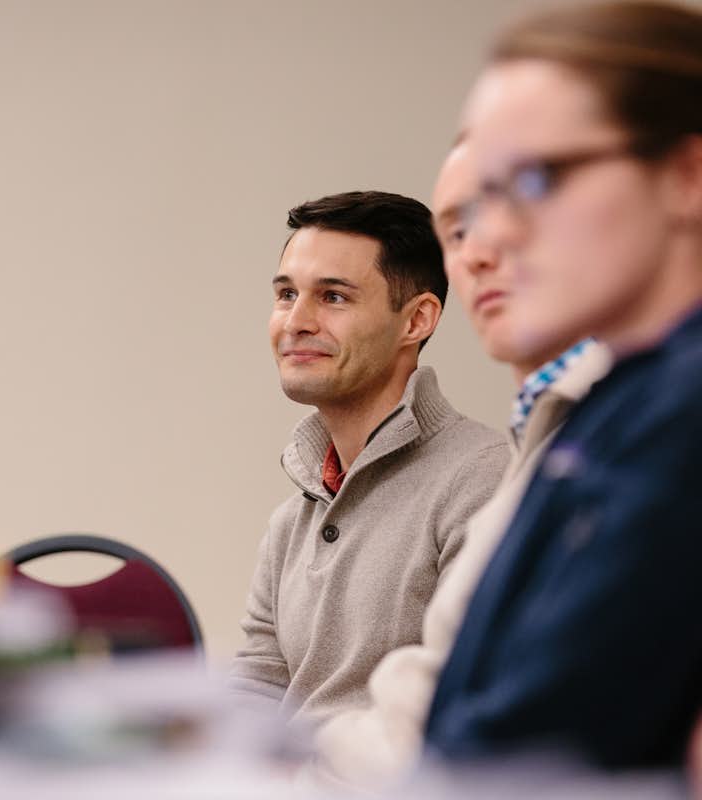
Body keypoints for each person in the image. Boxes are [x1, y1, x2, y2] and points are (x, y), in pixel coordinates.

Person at [423, 0, 702, 769]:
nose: (495, 236)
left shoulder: (679, 414)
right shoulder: (622, 400)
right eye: (480, 202)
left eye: (538, 179)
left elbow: (528, 748)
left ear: (687, 175)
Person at [312, 144, 611, 791]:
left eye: (332, 296)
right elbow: (257, 674)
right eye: (457, 230)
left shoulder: (505, 464)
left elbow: (468, 704)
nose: (474, 253)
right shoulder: (303, 498)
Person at [229, 191, 509, 727]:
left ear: (417, 320)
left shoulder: (484, 481)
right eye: (287, 293)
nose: (297, 321)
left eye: (333, 297)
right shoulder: (292, 520)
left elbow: (462, 701)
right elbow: (257, 687)